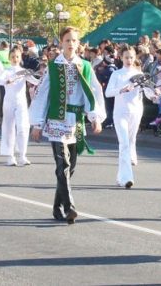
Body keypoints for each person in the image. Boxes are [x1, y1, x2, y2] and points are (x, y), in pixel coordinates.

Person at [29, 26, 106, 224]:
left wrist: (95, 117)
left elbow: (93, 92)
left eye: (74, 40)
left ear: (78, 44)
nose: (71, 44)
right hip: (56, 120)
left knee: (69, 167)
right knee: (62, 164)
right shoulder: (53, 67)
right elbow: (43, 94)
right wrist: (37, 123)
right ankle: (70, 205)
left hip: (76, 122)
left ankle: (57, 205)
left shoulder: (86, 66)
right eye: (67, 40)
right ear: (61, 43)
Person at [105, 45, 151, 188]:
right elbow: (108, 93)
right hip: (120, 113)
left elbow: (147, 91)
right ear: (121, 58)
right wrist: (121, 89)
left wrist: (155, 95)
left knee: (130, 142)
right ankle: (127, 178)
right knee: (124, 143)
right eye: (126, 57)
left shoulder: (139, 74)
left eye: (131, 57)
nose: (129, 60)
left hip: (136, 111)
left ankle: (120, 177)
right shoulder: (117, 74)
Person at [0, 46, 40, 167]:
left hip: (21, 102)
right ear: (9, 58)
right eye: (13, 57)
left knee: (23, 127)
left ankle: (22, 155)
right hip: (8, 103)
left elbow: (35, 81)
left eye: (17, 56)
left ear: (20, 57)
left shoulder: (24, 71)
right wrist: (8, 81)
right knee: (9, 128)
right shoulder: (6, 71)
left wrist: (45, 78)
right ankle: (10, 156)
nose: (15, 59)